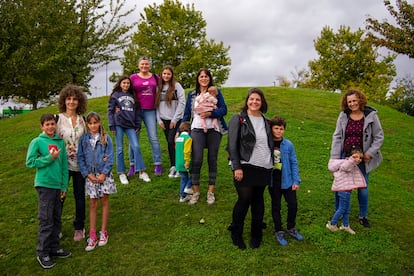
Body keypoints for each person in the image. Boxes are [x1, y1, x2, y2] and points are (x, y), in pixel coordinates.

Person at [330, 88, 384, 228]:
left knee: (363, 188)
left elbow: (379, 137)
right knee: (340, 185)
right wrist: (335, 158)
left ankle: (363, 216)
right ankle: (339, 212)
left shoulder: (371, 115)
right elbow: (337, 136)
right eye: (349, 102)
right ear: (346, 103)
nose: (352, 104)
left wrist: (369, 153)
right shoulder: (343, 116)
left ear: (360, 100)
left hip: (362, 158)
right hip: (345, 157)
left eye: (354, 100)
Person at [227, 88, 273, 250]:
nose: (254, 102)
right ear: (247, 101)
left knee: (258, 200)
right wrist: (236, 166)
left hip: (264, 165)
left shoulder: (267, 121)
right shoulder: (238, 118)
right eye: (251, 99)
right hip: (245, 165)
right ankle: (236, 232)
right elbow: (231, 145)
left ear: (262, 103)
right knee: (244, 199)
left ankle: (256, 234)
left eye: (258, 100)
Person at [26, 114, 71, 269]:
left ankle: (54, 248)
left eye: (52, 124)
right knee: (46, 219)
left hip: (57, 186)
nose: (51, 127)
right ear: (42, 127)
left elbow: (64, 166)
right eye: (47, 124)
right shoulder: (37, 142)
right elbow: (30, 162)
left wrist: (64, 186)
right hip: (44, 185)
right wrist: (49, 158)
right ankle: (42, 252)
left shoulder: (60, 142)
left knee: (56, 218)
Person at [182, 68, 228, 205]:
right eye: (201, 76)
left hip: (214, 129)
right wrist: (182, 130)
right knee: (197, 160)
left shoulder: (216, 93)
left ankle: (210, 192)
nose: (204, 79)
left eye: (206, 76)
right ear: (198, 78)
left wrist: (211, 114)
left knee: (212, 159)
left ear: (209, 78)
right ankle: (195, 192)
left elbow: (224, 109)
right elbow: (186, 115)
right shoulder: (191, 95)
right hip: (197, 129)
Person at [77, 112, 117, 251]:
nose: (93, 125)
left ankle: (103, 232)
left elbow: (110, 157)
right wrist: (87, 174)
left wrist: (104, 173)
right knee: (92, 203)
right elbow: (80, 158)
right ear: (87, 125)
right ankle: (92, 235)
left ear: (99, 123)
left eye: (95, 122)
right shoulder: (83, 140)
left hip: (103, 176)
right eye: (90, 123)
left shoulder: (106, 139)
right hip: (90, 177)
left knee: (104, 202)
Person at [56, 84, 87, 242]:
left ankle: (79, 227)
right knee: (59, 196)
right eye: (69, 99)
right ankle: (56, 228)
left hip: (80, 165)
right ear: (64, 101)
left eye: (75, 99)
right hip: (62, 165)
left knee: (79, 196)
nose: (72, 102)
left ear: (79, 101)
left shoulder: (83, 120)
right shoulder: (57, 119)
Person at [108, 75, 151, 183]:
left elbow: (137, 112)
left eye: (128, 83)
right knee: (119, 149)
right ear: (120, 84)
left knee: (136, 146)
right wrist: (111, 125)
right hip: (119, 124)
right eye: (124, 83)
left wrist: (138, 125)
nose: (126, 85)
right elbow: (110, 111)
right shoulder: (115, 95)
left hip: (131, 125)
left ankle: (141, 171)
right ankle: (122, 173)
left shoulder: (133, 96)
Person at [268, 116, 303, 246]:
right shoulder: (267, 143)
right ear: (271, 129)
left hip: (287, 180)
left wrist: (296, 181)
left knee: (293, 204)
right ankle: (278, 230)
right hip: (273, 181)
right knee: (276, 206)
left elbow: (294, 162)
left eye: (281, 129)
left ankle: (291, 227)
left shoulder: (288, 145)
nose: (278, 131)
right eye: (276, 128)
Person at [129, 56, 163, 176]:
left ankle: (158, 164)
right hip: (135, 111)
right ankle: (133, 165)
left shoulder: (155, 77)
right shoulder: (133, 78)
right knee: (134, 139)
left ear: (150, 65)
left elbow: (163, 88)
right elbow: (124, 90)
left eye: (147, 64)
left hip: (150, 111)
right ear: (138, 65)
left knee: (153, 137)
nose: (144, 66)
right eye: (142, 64)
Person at [326, 145, 367, 235]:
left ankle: (345, 225)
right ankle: (332, 224)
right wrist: (352, 159)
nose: (359, 159)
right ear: (351, 156)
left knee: (347, 209)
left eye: (361, 157)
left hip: (347, 190)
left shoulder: (352, 164)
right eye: (356, 157)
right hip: (343, 190)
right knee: (342, 208)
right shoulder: (347, 162)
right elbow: (345, 167)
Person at [155, 65, 186, 178]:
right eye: (164, 74)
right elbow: (156, 105)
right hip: (164, 120)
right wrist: (159, 120)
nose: (166, 76)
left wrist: (175, 119)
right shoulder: (159, 87)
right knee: (170, 143)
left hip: (176, 120)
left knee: (173, 142)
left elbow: (182, 103)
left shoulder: (177, 86)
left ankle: (179, 166)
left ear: (171, 75)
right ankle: (173, 166)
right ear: (161, 75)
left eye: (168, 74)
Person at [175, 121, 194, 202]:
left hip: (178, 163)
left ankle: (182, 196)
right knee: (194, 174)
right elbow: (187, 151)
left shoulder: (178, 139)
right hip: (185, 162)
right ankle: (188, 187)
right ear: (189, 130)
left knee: (183, 179)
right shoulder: (188, 139)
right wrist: (187, 161)